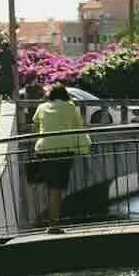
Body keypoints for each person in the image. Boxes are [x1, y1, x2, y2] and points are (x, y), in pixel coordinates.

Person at [31, 83, 92, 233]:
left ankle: (51, 220)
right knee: (57, 187)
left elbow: (35, 125)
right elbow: (78, 125)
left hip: (44, 149)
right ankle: (54, 223)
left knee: (51, 186)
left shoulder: (41, 107)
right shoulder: (70, 107)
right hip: (64, 149)